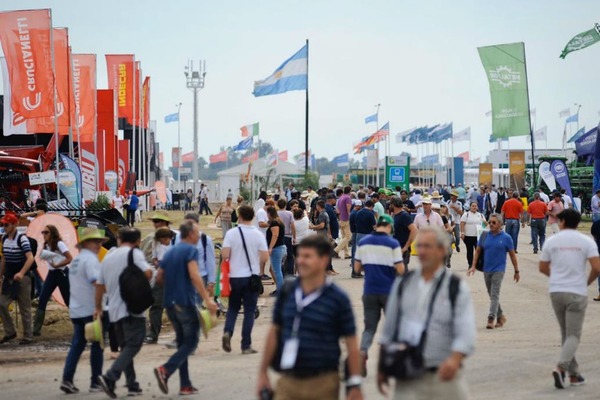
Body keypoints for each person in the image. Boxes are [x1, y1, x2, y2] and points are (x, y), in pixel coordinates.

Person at [256, 235, 364, 400]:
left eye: (307, 257)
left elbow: (351, 343)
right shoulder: (287, 291)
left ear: (323, 260)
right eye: (299, 256)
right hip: (288, 380)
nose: (301, 261)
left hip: (323, 383)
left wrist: (355, 384)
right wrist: (263, 372)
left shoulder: (338, 298)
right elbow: (274, 331)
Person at [378, 227, 476, 399]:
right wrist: (382, 367)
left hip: (444, 377)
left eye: (427, 246)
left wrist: (455, 359)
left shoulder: (455, 288)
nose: (421, 251)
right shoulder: (403, 284)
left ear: (442, 250)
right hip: (408, 377)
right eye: (420, 246)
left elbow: (466, 331)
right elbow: (389, 328)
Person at [153, 221, 217, 396]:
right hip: (185, 302)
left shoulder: (170, 251)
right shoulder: (190, 250)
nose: (199, 235)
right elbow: (195, 275)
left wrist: (173, 283)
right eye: (197, 232)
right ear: (190, 234)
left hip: (169, 302)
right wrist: (207, 299)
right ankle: (165, 370)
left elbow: (159, 277)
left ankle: (185, 385)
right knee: (191, 342)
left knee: (182, 343)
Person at [539, 209, 600, 389]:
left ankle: (574, 375)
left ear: (563, 221)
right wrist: (585, 282)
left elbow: (542, 267)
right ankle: (561, 367)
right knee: (573, 334)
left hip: (557, 291)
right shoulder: (586, 241)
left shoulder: (552, 241)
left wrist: (557, 277)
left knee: (566, 333)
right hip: (576, 291)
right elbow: (597, 268)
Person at [95, 228, 152, 398]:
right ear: (137, 241)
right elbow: (147, 273)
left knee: (126, 347)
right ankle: (110, 376)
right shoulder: (134, 254)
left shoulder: (108, 258)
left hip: (113, 310)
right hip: (131, 308)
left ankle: (132, 385)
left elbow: (99, 286)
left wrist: (97, 308)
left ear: (119, 240)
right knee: (134, 344)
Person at [354, 215, 405, 377]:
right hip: (389, 292)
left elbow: (356, 268)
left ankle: (362, 352)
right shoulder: (393, 243)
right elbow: (401, 270)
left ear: (377, 226)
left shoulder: (363, 242)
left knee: (369, 328)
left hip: (369, 291)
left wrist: (370, 269)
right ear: (389, 227)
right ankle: (392, 362)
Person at [60, 228, 108, 394]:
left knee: (77, 345)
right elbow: (97, 284)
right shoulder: (91, 260)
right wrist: (99, 306)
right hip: (91, 309)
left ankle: (67, 379)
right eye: (96, 242)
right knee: (97, 345)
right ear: (86, 243)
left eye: (100, 242)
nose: (99, 245)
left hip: (76, 309)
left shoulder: (76, 261)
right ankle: (95, 382)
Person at [221, 205, 268, 354]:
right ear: (253, 217)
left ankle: (228, 331)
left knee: (233, 308)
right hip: (251, 277)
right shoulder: (258, 234)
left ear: (239, 216)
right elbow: (265, 257)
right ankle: (246, 345)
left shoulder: (231, 233)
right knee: (249, 311)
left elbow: (225, 255)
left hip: (234, 277)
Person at [468, 214, 520, 329]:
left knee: (495, 294)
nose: (491, 224)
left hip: (499, 270)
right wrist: (473, 266)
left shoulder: (506, 238)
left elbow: (512, 255)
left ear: (500, 224)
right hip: (487, 269)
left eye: (494, 222)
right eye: (490, 222)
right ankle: (501, 316)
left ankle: (491, 318)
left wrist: (516, 271)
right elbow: (477, 251)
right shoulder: (485, 235)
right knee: (492, 294)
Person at [142, 211, 178, 345]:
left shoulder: (176, 237)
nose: (155, 224)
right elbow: (151, 257)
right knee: (156, 305)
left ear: (166, 223)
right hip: (160, 276)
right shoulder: (153, 239)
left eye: (158, 221)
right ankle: (153, 334)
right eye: (154, 221)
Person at [0, 213, 35, 344]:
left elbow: (30, 258)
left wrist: (21, 273)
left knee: (24, 307)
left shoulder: (22, 239)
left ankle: (28, 336)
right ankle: (10, 332)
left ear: (14, 225)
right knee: (1, 303)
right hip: (9, 277)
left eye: (6, 225)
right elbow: (4, 259)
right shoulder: (4, 239)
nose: (4, 227)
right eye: (3, 224)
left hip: (22, 277)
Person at [34, 224, 74, 336]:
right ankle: (35, 330)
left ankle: (80, 325)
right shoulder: (46, 245)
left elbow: (69, 258)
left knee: (68, 301)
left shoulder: (59, 244)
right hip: (52, 274)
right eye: (43, 232)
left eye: (46, 232)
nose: (44, 235)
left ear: (53, 233)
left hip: (61, 273)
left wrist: (58, 264)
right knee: (43, 298)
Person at [391, 197, 417, 269]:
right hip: (396, 248)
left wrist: (405, 247)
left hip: (402, 249)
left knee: (402, 273)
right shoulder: (395, 215)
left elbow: (414, 230)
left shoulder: (404, 216)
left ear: (393, 205)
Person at [460, 202, 487, 269]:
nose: (474, 207)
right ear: (470, 207)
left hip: (478, 236)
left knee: (479, 251)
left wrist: (484, 223)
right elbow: (462, 223)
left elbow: (485, 225)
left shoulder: (480, 215)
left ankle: (478, 264)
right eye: (473, 206)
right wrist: (462, 232)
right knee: (470, 251)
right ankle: (470, 264)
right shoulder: (466, 215)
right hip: (468, 236)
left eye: (475, 206)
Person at [266, 206, 287, 294]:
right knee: (273, 269)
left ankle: (280, 290)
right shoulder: (279, 221)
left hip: (276, 248)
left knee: (276, 270)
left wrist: (270, 247)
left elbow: (275, 235)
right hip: (281, 248)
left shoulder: (275, 223)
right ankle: (279, 287)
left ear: (269, 214)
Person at [277, 199, 296, 276]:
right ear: (285, 205)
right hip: (288, 236)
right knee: (289, 255)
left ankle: (282, 272)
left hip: (279, 236)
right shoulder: (289, 214)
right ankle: (290, 272)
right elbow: (292, 225)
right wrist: (294, 236)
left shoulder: (276, 214)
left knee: (280, 255)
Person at [334, 186, 353, 259]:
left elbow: (337, 210)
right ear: (350, 191)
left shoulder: (340, 198)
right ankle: (336, 249)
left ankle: (346, 254)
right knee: (348, 237)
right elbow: (348, 209)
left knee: (344, 237)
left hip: (340, 218)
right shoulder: (348, 198)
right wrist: (349, 217)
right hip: (346, 219)